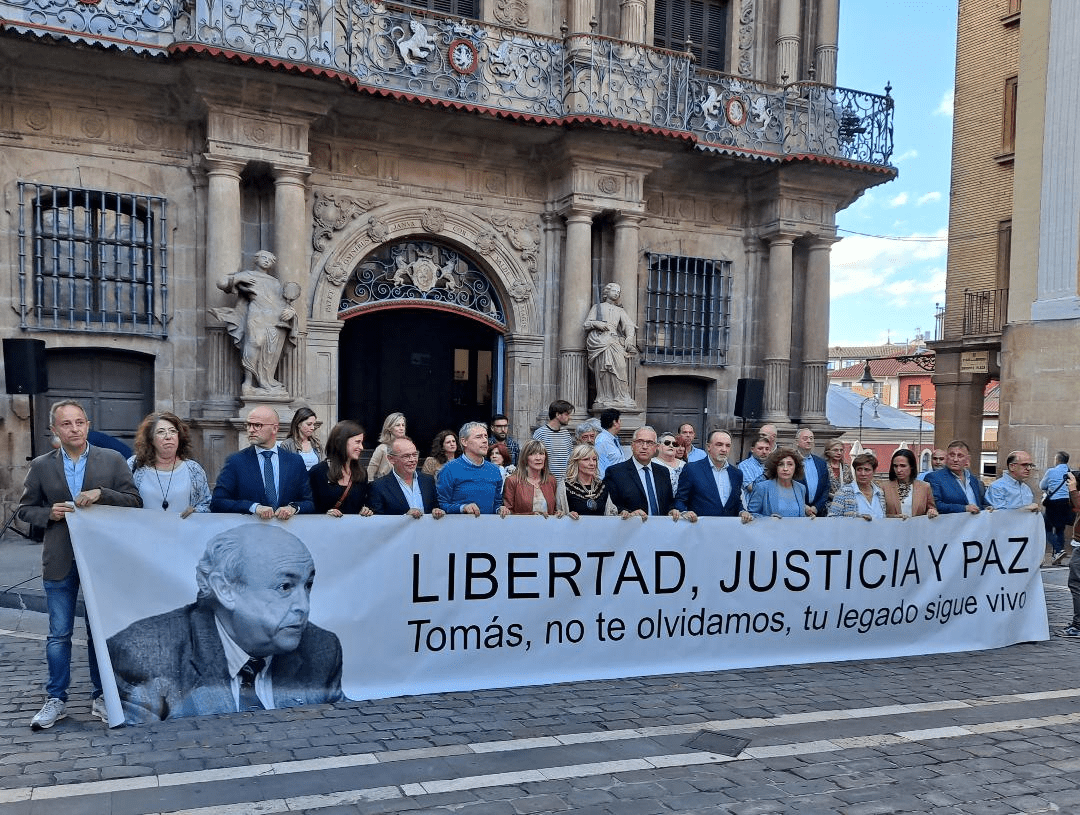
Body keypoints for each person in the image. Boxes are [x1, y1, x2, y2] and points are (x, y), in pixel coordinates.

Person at [106, 524, 343, 723]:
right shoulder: (145, 651)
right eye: (285, 587)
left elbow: (342, 729)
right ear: (225, 589)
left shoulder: (321, 648)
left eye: (308, 585)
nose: (303, 605)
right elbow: (141, 751)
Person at [18, 399, 142, 729]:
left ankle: (101, 697)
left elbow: (134, 501)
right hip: (60, 561)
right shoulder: (43, 465)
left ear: (88, 424)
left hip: (100, 561)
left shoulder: (112, 459)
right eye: (67, 424)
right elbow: (25, 510)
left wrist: (103, 493)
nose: (74, 429)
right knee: (58, 635)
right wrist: (50, 514)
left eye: (79, 422)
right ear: (55, 430)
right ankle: (56, 699)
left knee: (97, 633)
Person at [211, 250, 297, 396]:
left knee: (270, 350)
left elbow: (281, 302)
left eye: (270, 260)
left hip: (275, 319)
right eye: (264, 257)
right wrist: (238, 279)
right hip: (256, 315)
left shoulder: (274, 282)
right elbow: (221, 283)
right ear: (256, 259)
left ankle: (266, 381)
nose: (267, 261)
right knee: (254, 343)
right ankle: (248, 383)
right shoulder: (247, 275)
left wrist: (292, 312)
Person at [211, 405, 315, 519]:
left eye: (257, 425)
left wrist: (293, 508)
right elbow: (218, 502)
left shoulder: (294, 461)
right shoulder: (236, 461)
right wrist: (254, 507)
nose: (251, 430)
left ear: (275, 428)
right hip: (249, 533)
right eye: (248, 425)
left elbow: (309, 503)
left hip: (285, 532)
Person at [128, 412, 211, 515]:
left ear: (179, 437)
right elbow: (123, 501)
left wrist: (196, 512)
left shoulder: (194, 469)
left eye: (172, 431)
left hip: (182, 530)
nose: (168, 436)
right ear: (151, 439)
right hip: (143, 530)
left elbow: (206, 504)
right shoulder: (134, 465)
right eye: (161, 432)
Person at [604, 426, 680, 521]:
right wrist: (629, 514)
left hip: (660, 529)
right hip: (631, 529)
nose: (644, 446)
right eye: (640, 442)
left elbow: (669, 503)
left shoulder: (663, 472)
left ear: (656, 447)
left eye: (649, 443)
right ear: (632, 445)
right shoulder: (615, 472)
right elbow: (611, 507)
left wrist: (671, 511)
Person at [583, 282, 636, 408]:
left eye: (619, 292)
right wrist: (597, 324)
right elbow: (586, 324)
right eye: (614, 291)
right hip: (601, 341)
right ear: (606, 292)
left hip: (614, 342)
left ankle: (622, 397)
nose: (617, 293)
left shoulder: (620, 310)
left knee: (621, 368)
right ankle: (605, 397)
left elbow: (628, 325)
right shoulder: (597, 307)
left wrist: (629, 337)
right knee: (605, 371)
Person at [437, 422, 504, 516]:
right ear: (464, 442)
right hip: (459, 528)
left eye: (485, 436)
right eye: (479, 437)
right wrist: (462, 508)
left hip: (488, 528)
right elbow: (441, 505)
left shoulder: (494, 470)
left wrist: (499, 509)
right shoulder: (449, 469)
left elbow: (497, 503)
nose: (485, 440)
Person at [369, 436, 445, 518]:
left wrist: (437, 511)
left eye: (415, 454)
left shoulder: (428, 481)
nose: (412, 459)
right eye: (406, 456)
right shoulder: (378, 487)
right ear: (391, 459)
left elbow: (436, 506)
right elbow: (377, 522)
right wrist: (405, 518)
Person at [675, 429, 744, 520]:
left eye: (728, 446)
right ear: (708, 447)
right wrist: (684, 512)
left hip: (728, 529)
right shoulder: (692, 469)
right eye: (719, 445)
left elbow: (736, 502)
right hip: (700, 529)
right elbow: (680, 500)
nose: (724, 449)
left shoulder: (736, 473)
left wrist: (742, 511)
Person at [308, 420, 371, 517]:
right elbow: (309, 506)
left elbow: (362, 503)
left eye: (361, 442)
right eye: (357, 442)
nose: (361, 447)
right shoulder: (318, 472)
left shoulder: (362, 473)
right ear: (341, 442)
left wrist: (365, 509)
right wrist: (325, 514)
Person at [741, 447, 814, 522]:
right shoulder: (762, 487)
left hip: (795, 532)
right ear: (775, 467)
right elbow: (751, 514)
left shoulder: (801, 488)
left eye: (790, 464)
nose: (785, 468)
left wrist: (808, 516)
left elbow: (798, 516)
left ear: (796, 467)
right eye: (781, 464)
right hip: (769, 532)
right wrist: (768, 519)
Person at [925, 440, 989, 514]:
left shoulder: (973, 480)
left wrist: (985, 510)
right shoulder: (934, 478)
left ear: (967, 459)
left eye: (960, 456)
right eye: (952, 455)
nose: (955, 459)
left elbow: (978, 505)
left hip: (974, 524)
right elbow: (935, 505)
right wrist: (964, 508)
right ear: (946, 457)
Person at [502, 439, 561, 516]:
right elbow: (508, 513)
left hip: (548, 527)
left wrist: (558, 513)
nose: (538, 458)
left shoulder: (551, 480)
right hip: (522, 527)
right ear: (525, 458)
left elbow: (554, 510)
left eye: (541, 453)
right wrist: (531, 515)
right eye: (532, 454)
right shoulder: (512, 481)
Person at [557, 444, 616, 518]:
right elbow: (557, 514)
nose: (592, 463)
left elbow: (612, 514)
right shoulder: (565, 487)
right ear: (576, 462)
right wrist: (567, 516)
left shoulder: (602, 486)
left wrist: (622, 513)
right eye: (586, 459)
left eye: (594, 459)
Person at [882, 448, 939, 519]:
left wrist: (931, 512)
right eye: (895, 466)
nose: (898, 470)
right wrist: (895, 517)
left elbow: (931, 509)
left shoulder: (925, 487)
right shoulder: (884, 487)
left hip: (917, 528)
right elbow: (879, 514)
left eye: (903, 466)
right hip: (892, 528)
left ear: (911, 466)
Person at [828, 452, 886, 521]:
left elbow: (882, 518)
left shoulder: (879, 493)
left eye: (867, 470)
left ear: (874, 471)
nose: (863, 474)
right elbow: (832, 519)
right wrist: (856, 520)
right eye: (859, 469)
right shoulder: (844, 492)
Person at [1041, 451, 1072, 564]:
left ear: (1058, 460)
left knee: (1047, 529)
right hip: (1066, 502)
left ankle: (1058, 550)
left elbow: (1042, 486)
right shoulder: (1070, 472)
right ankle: (1057, 558)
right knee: (1060, 529)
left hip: (1053, 503)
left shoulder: (1051, 471)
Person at [532, 399, 575, 481]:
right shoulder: (540, 433)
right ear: (558, 414)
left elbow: (570, 459)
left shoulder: (566, 434)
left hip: (564, 483)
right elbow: (533, 458)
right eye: (567, 414)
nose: (570, 418)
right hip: (545, 482)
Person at [795, 427, 830, 517]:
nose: (809, 441)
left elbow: (826, 487)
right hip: (796, 512)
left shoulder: (821, 463)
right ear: (797, 442)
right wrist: (804, 507)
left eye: (811, 438)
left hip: (818, 513)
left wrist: (816, 507)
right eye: (805, 438)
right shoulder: (790, 461)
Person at [279, 407, 323, 471]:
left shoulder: (317, 444)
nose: (312, 428)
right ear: (299, 424)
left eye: (314, 424)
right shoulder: (287, 445)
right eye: (309, 424)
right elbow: (283, 470)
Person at [368, 412, 406, 481]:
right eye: (397, 425)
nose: (401, 428)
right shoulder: (382, 448)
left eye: (403, 425)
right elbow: (369, 473)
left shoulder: (408, 448)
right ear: (389, 428)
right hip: (385, 488)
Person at [739, 436, 773, 505]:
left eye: (767, 449)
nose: (764, 452)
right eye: (760, 449)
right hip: (753, 508)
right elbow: (752, 488)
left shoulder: (774, 465)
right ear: (752, 449)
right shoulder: (744, 465)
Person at [594, 408, 624, 478]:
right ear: (615, 422)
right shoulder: (602, 441)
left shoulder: (614, 439)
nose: (621, 423)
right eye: (619, 420)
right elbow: (600, 466)